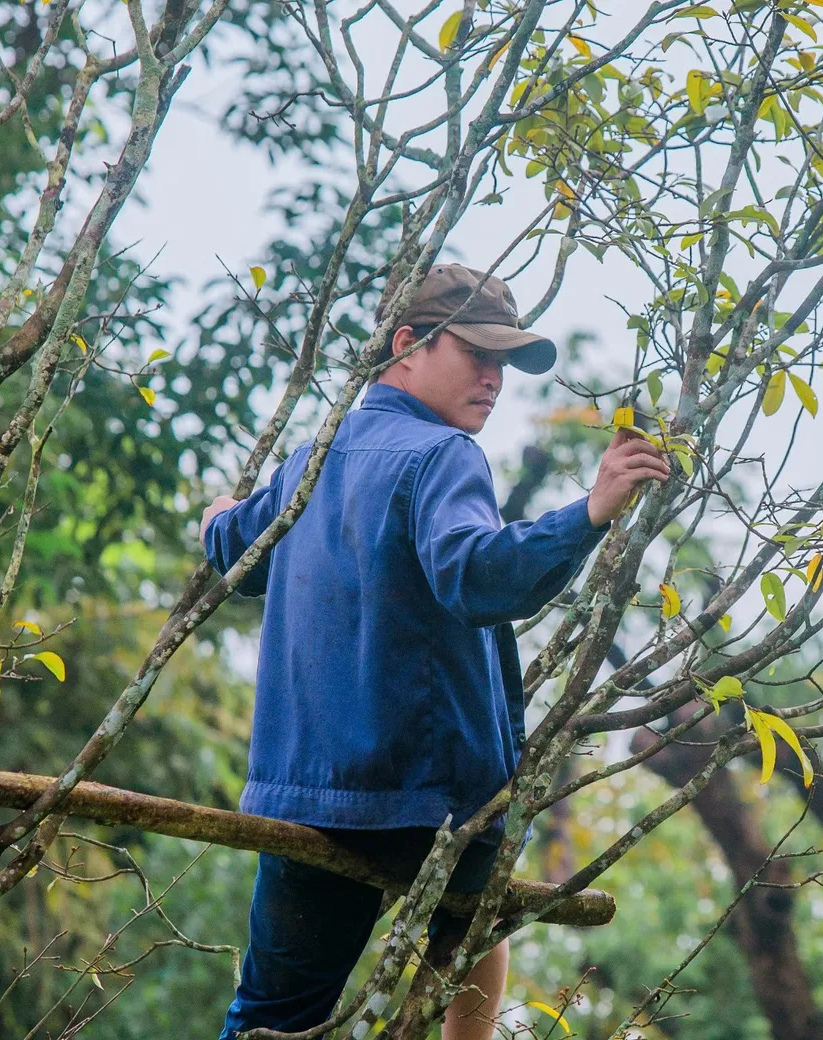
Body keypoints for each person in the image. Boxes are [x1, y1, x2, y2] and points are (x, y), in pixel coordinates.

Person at [201, 264, 671, 1040]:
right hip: (429, 803)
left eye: (504, 364)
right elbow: (475, 577)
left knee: (271, 1019)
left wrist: (218, 516)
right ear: (406, 345)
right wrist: (589, 512)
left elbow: (238, 548)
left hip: (305, 795)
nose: (493, 379)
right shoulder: (442, 454)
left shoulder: (311, 459)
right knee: (471, 933)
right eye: (477, 354)